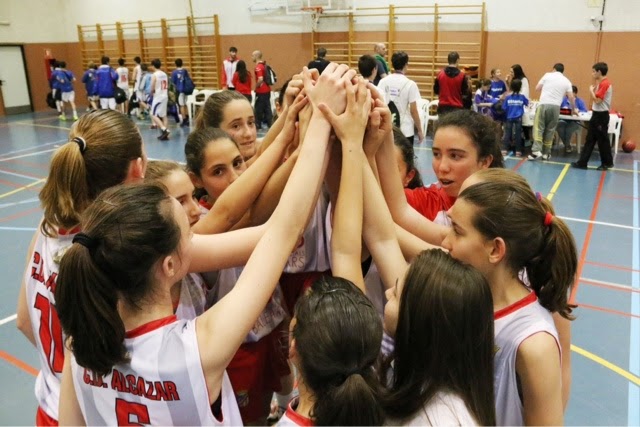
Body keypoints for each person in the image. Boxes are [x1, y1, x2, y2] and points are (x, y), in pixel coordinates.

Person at [54, 63, 353, 426]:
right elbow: (283, 231)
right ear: (168, 265)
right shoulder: (199, 348)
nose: (196, 220)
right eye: (186, 232)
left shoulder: (79, 345)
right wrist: (319, 124)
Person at [15, 110, 147, 426]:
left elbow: (24, 321)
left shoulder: (48, 227)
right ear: (137, 169)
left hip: (49, 406)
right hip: (90, 413)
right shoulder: (114, 248)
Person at [442, 170, 577, 425]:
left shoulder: (533, 345)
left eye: (457, 231)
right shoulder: (467, 296)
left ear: (495, 249)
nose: (445, 240)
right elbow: (384, 236)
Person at [380, 250, 496, 426]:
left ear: (419, 323)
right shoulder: (409, 378)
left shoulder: (438, 421)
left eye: (396, 294)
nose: (388, 293)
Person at [376, 109, 503, 245]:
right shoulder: (424, 200)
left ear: (484, 162)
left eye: (455, 156)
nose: (442, 167)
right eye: (436, 154)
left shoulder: (509, 209)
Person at [528, 63, 577, 161]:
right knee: (550, 129)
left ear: (553, 69)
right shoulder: (567, 81)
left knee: (539, 127)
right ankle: (546, 153)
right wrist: (573, 109)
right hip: (556, 107)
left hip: (544, 104)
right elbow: (571, 97)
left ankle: (536, 150)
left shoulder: (547, 75)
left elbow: (537, 88)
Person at [572, 62, 614, 170]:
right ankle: (582, 162)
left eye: (594, 71)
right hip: (596, 115)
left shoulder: (605, 83)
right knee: (590, 139)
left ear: (599, 72)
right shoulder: (601, 83)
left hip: (601, 116)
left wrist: (591, 91)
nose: (592, 74)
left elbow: (598, 100)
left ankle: (607, 163)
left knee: (602, 140)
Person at [377, 51, 424, 144]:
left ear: (392, 64)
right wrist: (419, 130)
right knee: (405, 158)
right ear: (406, 65)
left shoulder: (383, 82)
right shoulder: (410, 84)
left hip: (387, 128)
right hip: (405, 130)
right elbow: (413, 110)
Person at [502, 78, 529, 156]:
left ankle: (504, 149)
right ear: (520, 87)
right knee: (518, 134)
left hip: (509, 117)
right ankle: (518, 151)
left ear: (511, 87)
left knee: (507, 134)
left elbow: (504, 108)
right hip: (518, 118)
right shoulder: (522, 97)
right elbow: (527, 104)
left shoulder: (508, 97)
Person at [557, 85, 588, 153]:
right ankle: (568, 145)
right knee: (559, 127)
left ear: (575, 94)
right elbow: (558, 108)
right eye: (568, 93)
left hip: (575, 121)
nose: (569, 95)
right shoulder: (563, 100)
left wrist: (578, 111)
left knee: (568, 130)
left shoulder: (580, 101)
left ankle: (567, 146)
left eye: (571, 93)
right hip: (563, 120)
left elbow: (585, 111)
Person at [149, 58, 170, 140]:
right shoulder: (164, 74)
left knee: (154, 114)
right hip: (165, 95)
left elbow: (152, 86)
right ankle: (165, 134)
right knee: (164, 115)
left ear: (153, 66)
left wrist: (151, 93)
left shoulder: (154, 75)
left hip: (158, 97)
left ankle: (164, 129)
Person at [252, 50, 273, 130]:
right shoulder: (264, 65)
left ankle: (258, 125)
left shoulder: (258, 67)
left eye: (252, 56)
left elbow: (260, 79)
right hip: (267, 90)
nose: (252, 57)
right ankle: (270, 124)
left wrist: (256, 87)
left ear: (256, 56)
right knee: (267, 107)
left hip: (261, 91)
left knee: (258, 108)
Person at [171, 58, 192, 127]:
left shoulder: (174, 72)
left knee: (181, 105)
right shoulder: (184, 71)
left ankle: (184, 119)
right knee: (185, 104)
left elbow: (173, 82)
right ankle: (187, 117)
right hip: (185, 90)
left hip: (179, 91)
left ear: (175, 64)